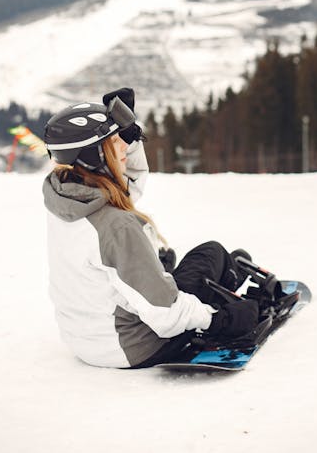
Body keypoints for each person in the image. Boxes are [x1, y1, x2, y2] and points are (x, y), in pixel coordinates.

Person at [42, 88, 266, 369]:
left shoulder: (66, 199)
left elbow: (125, 189)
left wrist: (130, 138)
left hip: (85, 340)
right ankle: (226, 290)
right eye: (115, 142)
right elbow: (165, 313)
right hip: (136, 346)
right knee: (213, 254)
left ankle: (217, 279)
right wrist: (219, 320)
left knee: (192, 264)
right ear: (94, 156)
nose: (123, 147)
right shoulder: (117, 226)